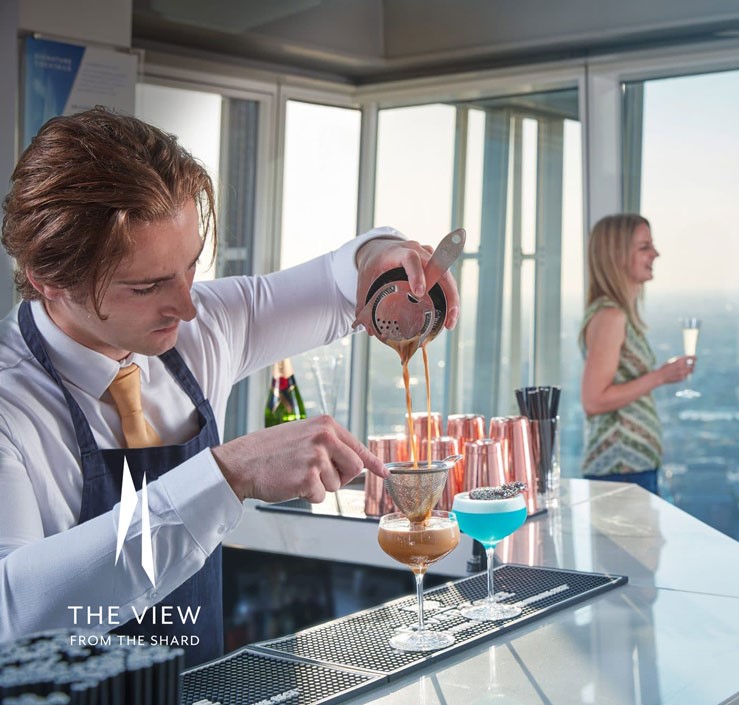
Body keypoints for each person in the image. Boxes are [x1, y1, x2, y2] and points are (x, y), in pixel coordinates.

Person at [0, 107, 459, 665]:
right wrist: (226, 474)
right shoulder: (9, 402)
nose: (188, 304)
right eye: (148, 286)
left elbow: (345, 281)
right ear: (49, 280)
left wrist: (383, 258)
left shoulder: (203, 326)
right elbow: (15, 611)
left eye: (191, 266)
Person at [579, 213, 694, 494]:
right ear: (617, 256)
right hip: (621, 468)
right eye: (644, 247)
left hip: (629, 468)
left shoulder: (617, 314)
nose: (656, 253)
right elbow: (594, 400)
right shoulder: (611, 316)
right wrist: (659, 377)